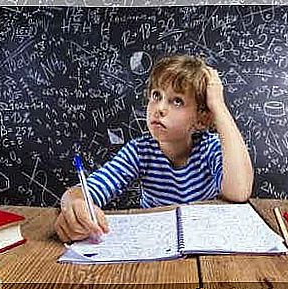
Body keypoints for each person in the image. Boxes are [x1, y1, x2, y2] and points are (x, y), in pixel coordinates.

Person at [55, 54, 254, 242]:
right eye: (156, 95)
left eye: (177, 101)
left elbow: (239, 192)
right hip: (156, 245)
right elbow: (83, 192)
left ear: (202, 119)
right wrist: (74, 205)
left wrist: (218, 105)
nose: (159, 108)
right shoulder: (139, 152)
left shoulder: (209, 148)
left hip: (205, 243)